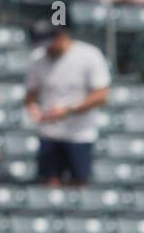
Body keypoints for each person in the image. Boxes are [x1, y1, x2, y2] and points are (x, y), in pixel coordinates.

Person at [24, 21, 112, 188]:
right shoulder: (38, 58)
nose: (48, 48)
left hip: (79, 133)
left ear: (62, 36)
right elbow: (30, 94)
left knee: (78, 183)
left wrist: (68, 110)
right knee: (49, 183)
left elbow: (102, 95)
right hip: (49, 132)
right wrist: (33, 109)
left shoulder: (89, 55)